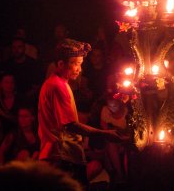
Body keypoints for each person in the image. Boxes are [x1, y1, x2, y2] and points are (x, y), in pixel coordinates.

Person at [38, 39, 123, 185]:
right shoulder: (58, 86)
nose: (79, 69)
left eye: (81, 64)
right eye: (75, 63)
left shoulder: (56, 83)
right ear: (60, 64)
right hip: (64, 155)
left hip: (61, 154)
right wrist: (105, 134)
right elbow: (71, 125)